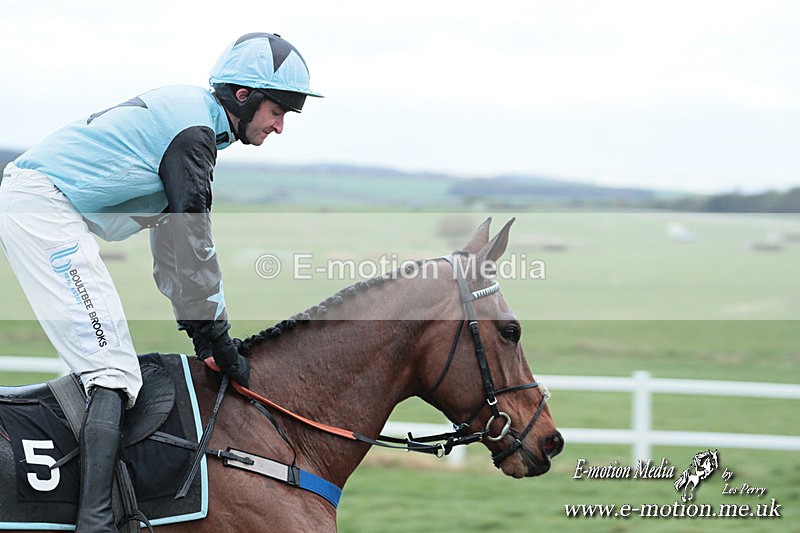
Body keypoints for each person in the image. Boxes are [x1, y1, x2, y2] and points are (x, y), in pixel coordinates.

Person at [0, 32, 322, 531]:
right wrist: (216, 338)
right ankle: (98, 522)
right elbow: (194, 243)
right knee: (112, 371)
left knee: (114, 367)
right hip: (43, 211)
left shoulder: (195, 124)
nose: (280, 126)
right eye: (278, 111)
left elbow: (171, 247)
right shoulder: (192, 135)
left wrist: (206, 338)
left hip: (40, 206)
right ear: (244, 96)